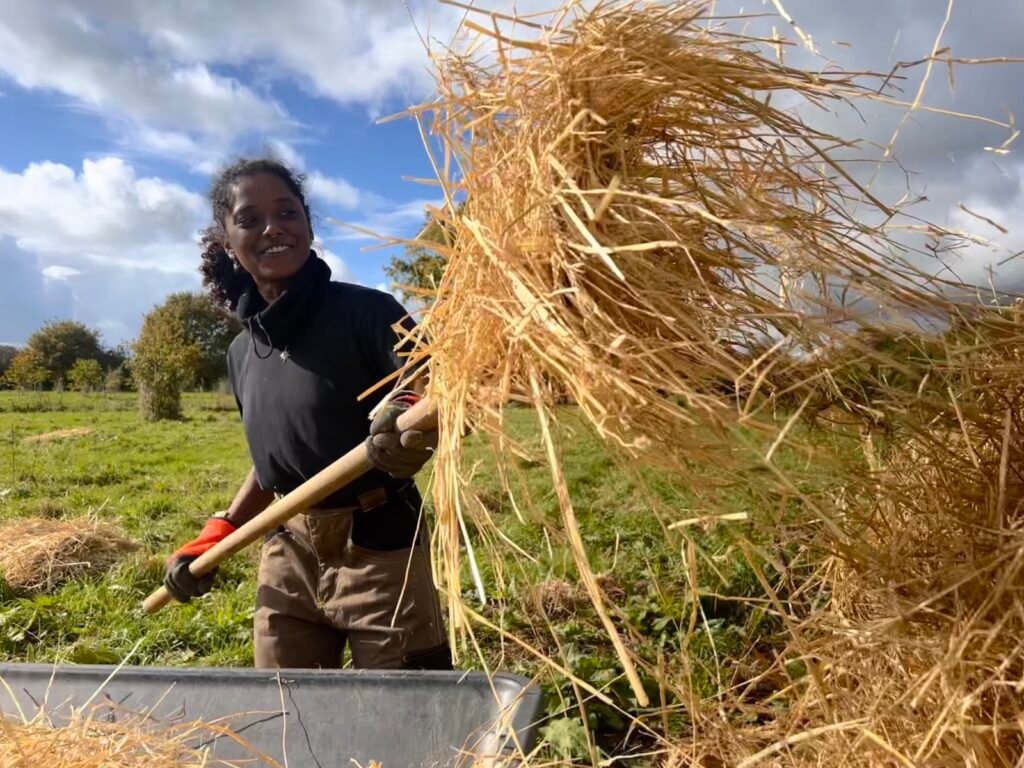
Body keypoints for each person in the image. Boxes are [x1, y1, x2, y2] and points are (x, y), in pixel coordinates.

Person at [163, 157, 450, 671]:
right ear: (228, 242)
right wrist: (220, 531)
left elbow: (434, 390)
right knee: (287, 722)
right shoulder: (241, 353)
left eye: (287, 213)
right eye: (250, 219)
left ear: (309, 226)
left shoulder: (369, 312)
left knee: (407, 718)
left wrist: (408, 416)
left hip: (379, 549)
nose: (273, 228)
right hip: (287, 555)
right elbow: (280, 461)